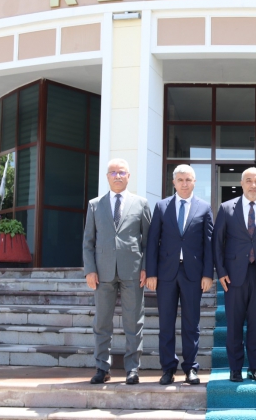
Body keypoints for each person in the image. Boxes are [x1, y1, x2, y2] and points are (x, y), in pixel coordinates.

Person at [83, 158, 151, 385]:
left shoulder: (141, 204)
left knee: (134, 322)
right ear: (107, 177)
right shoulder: (95, 205)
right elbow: (88, 241)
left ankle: (133, 369)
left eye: (122, 172)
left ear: (129, 176)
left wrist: (146, 267)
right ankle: (102, 368)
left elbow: (148, 242)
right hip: (102, 272)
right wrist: (90, 270)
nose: (118, 176)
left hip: (133, 271)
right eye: (113, 172)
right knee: (102, 322)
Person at [213, 167, 256, 382]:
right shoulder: (226, 208)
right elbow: (217, 242)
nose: (253, 185)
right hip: (233, 276)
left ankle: (254, 367)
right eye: (249, 180)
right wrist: (220, 271)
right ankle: (235, 368)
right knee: (234, 324)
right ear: (242, 183)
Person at [145, 164, 214, 385]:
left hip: (193, 274)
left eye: (188, 179)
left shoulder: (204, 207)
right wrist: (151, 273)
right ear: (173, 182)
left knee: (191, 323)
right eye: (180, 180)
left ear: (194, 182)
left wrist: (208, 274)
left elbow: (209, 244)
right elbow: (152, 242)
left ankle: (191, 368)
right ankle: (168, 368)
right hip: (166, 274)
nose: (184, 183)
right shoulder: (161, 206)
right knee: (166, 323)